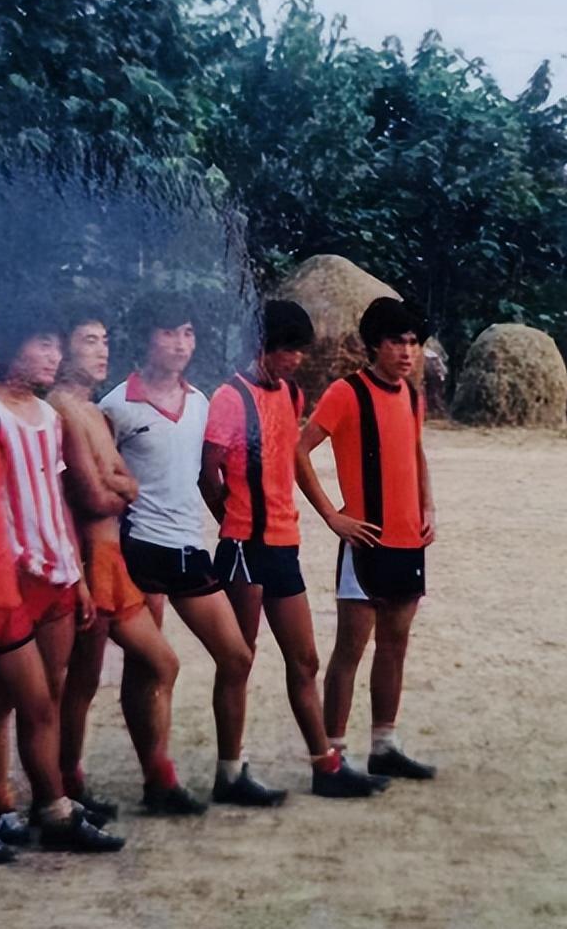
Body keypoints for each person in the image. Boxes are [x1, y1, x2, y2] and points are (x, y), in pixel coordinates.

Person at [0, 306, 123, 862]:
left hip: (15, 582)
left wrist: (75, 570)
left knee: (41, 701)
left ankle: (54, 809)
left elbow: (39, 497)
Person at [100, 292, 283, 807]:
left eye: (187, 333)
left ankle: (231, 772)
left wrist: (232, 518)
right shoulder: (116, 406)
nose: (180, 344)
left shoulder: (201, 402)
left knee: (236, 656)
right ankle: (158, 780)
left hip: (189, 550)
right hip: (139, 550)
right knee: (148, 667)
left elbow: (208, 473)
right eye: (168, 333)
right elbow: (99, 482)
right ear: (146, 339)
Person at [201, 300, 385, 798]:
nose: (297, 358)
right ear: (265, 346)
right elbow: (208, 473)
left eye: (301, 350)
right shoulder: (229, 398)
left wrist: (324, 514)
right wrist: (234, 524)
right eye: (290, 350)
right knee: (238, 661)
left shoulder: (291, 393)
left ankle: (325, 766)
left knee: (304, 661)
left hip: (284, 545)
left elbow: (292, 459)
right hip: (244, 547)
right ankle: (229, 773)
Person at [48, 309, 204, 815]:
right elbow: (95, 496)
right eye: (88, 341)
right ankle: (68, 785)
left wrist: (118, 486)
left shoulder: (93, 412)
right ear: (65, 351)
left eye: (104, 341)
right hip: (89, 558)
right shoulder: (61, 409)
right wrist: (119, 487)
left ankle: (157, 778)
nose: (101, 351)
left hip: (115, 556)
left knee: (160, 662)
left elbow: (124, 483)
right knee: (82, 681)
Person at [295, 297, 437, 781]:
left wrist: (428, 506)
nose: (407, 351)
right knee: (350, 650)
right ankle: (332, 756)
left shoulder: (413, 396)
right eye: (397, 341)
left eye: (414, 342)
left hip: (408, 541)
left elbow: (415, 452)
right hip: (366, 543)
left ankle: (384, 745)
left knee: (395, 645)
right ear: (375, 344)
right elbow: (299, 450)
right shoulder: (347, 392)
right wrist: (332, 515)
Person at [0, 305, 101, 839]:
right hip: (11, 574)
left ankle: (48, 803)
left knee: (49, 693)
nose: (55, 356)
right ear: (15, 346)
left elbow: (57, 497)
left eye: (57, 345)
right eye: (44, 344)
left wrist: (79, 575)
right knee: (0, 698)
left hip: (58, 571)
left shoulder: (51, 417)